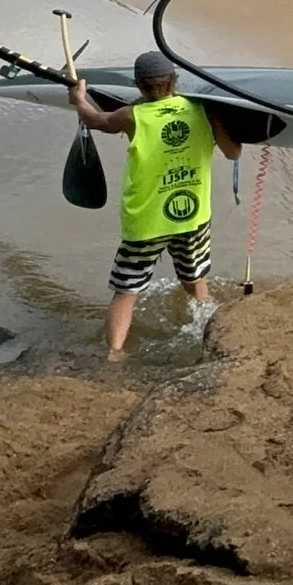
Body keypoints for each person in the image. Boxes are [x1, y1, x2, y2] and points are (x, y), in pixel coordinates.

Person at [70, 50, 239, 359]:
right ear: (174, 80)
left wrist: (79, 99)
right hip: (192, 216)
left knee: (126, 290)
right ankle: (212, 335)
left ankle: (115, 353)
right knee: (195, 279)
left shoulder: (132, 116)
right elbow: (233, 153)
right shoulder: (202, 110)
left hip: (147, 222)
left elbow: (94, 120)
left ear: (139, 85)